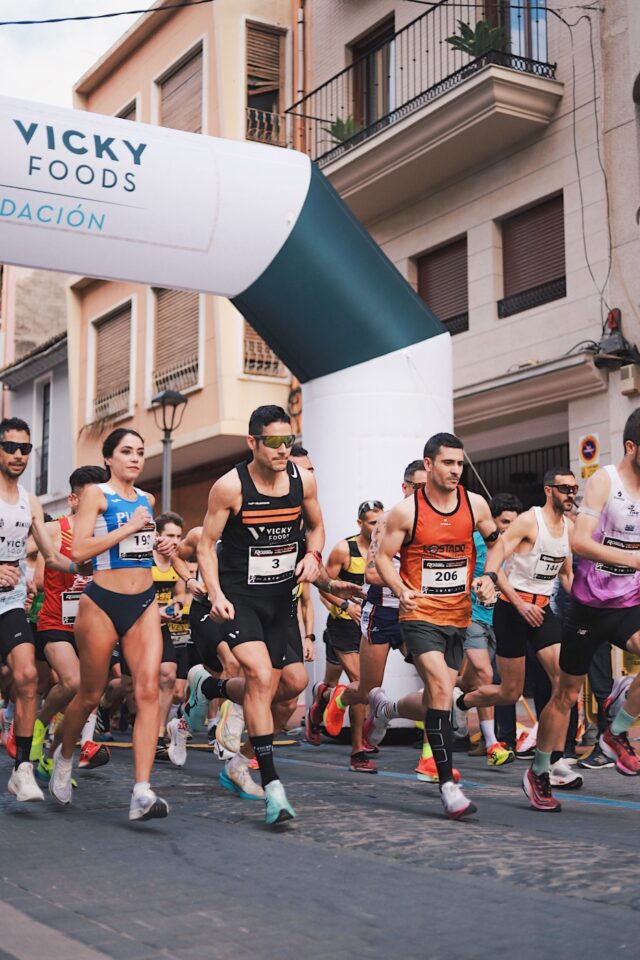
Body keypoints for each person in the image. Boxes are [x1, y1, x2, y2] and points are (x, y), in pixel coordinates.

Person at [191, 405, 324, 825]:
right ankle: (274, 789)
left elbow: (316, 527)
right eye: (274, 441)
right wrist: (215, 594)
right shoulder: (230, 487)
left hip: (280, 601)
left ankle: (217, 704)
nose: (283, 449)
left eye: (289, 440)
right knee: (262, 678)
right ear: (253, 442)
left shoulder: (303, 481)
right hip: (240, 599)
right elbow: (204, 545)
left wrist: (314, 555)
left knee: (290, 688)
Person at [376, 432, 501, 820]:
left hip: (458, 615)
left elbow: (498, 543)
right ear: (429, 465)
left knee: (437, 696)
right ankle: (448, 786)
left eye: (460, 463)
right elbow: (382, 558)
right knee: (443, 689)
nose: (455, 470)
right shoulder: (406, 512)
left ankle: (388, 709)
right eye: (448, 463)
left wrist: (490, 577)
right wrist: (401, 589)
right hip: (419, 615)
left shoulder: (474, 504)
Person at [49, 428, 169, 822]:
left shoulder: (148, 500)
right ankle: (64, 755)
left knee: (147, 691)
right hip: (101, 601)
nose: (135, 459)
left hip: (144, 601)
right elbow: (79, 549)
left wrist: (161, 547)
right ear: (109, 458)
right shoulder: (96, 495)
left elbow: (142, 547)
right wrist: (129, 528)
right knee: (90, 693)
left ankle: (141, 791)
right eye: (126, 451)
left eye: (140, 452)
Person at [525, 410, 640, 811]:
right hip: (588, 608)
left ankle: (616, 732)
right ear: (631, 447)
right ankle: (539, 770)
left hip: (629, 602)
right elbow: (580, 542)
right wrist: (634, 559)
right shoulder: (605, 481)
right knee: (566, 694)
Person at [456, 470, 582, 790]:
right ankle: (463, 700)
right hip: (512, 610)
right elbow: (496, 558)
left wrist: (586, 601)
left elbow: (566, 574)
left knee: (564, 683)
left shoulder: (569, 528)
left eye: (574, 488)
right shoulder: (529, 521)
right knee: (509, 693)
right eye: (565, 488)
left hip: (542, 611)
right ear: (549, 490)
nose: (571, 493)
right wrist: (515, 600)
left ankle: (554, 761)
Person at [0, 417, 77, 802]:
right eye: (10, 447)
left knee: (28, 676)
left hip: (10, 602)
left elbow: (51, 555)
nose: (18, 455)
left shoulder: (29, 502)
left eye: (25, 448)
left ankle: (22, 770)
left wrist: (86, 567)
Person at [33, 465, 111, 777]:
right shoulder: (56, 529)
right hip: (55, 621)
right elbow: (36, 572)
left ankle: (51, 756)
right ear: (73, 500)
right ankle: (38, 725)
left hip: (91, 625)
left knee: (87, 698)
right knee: (72, 682)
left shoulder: (107, 534)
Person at [458, 492, 524, 767]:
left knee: (470, 681)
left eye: (514, 523)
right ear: (492, 521)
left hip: (500, 619)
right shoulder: (475, 541)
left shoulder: (516, 545)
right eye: (504, 522)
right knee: (486, 673)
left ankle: (448, 694)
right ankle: (491, 743)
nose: (509, 529)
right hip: (471, 616)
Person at [320, 499, 384, 772]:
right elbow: (323, 586)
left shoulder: (387, 547)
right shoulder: (344, 549)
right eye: (373, 523)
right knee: (360, 684)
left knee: (366, 687)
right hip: (344, 625)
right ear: (360, 523)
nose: (378, 527)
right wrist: (346, 606)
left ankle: (322, 699)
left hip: (372, 625)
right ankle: (357, 752)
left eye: (381, 521)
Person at [151, 511, 188, 762]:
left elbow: (180, 593)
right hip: (137, 625)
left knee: (168, 674)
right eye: (170, 535)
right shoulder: (145, 559)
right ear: (157, 535)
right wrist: (155, 611)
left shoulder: (177, 561)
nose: (175, 541)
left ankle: (158, 735)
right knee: (127, 684)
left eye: (178, 536)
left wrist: (176, 606)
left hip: (162, 625)